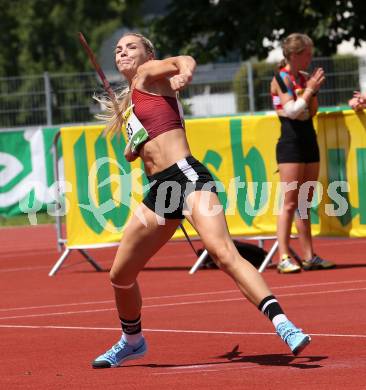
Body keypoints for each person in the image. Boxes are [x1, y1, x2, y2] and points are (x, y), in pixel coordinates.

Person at [91, 32, 311, 369]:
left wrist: (184, 71)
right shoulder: (133, 100)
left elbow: (183, 60)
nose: (122, 51)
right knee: (120, 275)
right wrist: (133, 145)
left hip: (187, 178)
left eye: (131, 46)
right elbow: (141, 149)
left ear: (148, 53)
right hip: (160, 191)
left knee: (223, 253)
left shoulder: (150, 73)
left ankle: (285, 325)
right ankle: (132, 341)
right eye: (118, 49)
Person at [270, 33, 336, 274]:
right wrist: (309, 91)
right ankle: (284, 256)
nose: (310, 58)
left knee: (304, 202)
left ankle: (309, 256)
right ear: (295, 54)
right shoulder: (280, 77)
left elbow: (312, 112)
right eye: (307, 53)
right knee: (289, 203)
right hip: (290, 142)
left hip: (309, 139)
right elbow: (293, 111)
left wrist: (312, 91)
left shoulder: (305, 78)